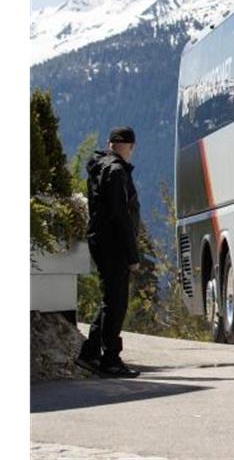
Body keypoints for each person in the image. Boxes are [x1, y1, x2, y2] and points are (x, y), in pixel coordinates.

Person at [76, 127, 142, 378]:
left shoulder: (100, 166)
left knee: (110, 299)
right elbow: (121, 216)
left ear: (110, 143)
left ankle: (91, 352)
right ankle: (110, 360)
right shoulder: (115, 171)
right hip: (114, 245)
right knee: (117, 302)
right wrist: (132, 255)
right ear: (128, 146)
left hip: (100, 241)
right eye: (132, 147)